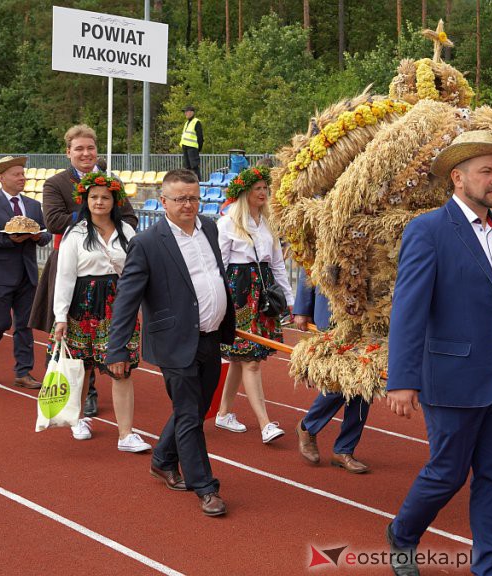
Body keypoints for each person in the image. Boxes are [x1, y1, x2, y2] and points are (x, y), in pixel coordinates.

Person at [385, 131, 492, 576]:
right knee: (448, 473)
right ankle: (404, 533)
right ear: (458, 178)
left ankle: (490, 569)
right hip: (451, 376)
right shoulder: (429, 230)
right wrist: (402, 379)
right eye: (486, 171)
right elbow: (409, 309)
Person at [106, 168, 236, 517]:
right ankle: (205, 487)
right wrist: (117, 348)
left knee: (193, 409)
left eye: (193, 197)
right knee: (191, 416)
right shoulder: (147, 243)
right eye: (180, 199)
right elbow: (126, 300)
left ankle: (162, 459)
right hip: (174, 341)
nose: (189, 205)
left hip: (210, 336)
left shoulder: (209, 227)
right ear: (163, 201)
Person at [32, 124, 138, 418]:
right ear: (68, 153)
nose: (85, 153)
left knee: (109, 336)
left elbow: (129, 217)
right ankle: (83, 393)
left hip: (108, 268)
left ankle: (98, 386)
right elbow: (53, 221)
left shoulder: (111, 181)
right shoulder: (55, 183)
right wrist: (93, 215)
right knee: (73, 334)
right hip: (70, 262)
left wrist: (108, 218)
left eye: (90, 148)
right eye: (79, 148)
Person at [48, 171, 149, 453]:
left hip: (119, 304)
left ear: (115, 201)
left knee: (122, 369)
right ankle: (78, 419)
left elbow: (138, 269)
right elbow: (65, 278)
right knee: (82, 366)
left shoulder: (127, 232)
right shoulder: (75, 233)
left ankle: (126, 434)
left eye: (105, 197)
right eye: (94, 197)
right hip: (84, 304)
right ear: (85, 200)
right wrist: (60, 318)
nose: (99, 202)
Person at [214, 165, 294, 444]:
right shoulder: (227, 223)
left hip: (263, 292)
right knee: (250, 360)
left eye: (264, 189)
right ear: (245, 192)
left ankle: (224, 413)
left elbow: (278, 265)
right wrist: (219, 302)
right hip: (239, 293)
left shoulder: (268, 224)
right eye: (257, 189)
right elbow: (219, 267)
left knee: (242, 358)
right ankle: (265, 423)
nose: (262, 193)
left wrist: (288, 299)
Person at [0, 156, 50, 388]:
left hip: (28, 274)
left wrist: (37, 236)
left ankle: (23, 372)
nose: (22, 178)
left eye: (23, 174)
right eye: (17, 174)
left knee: (25, 325)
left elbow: (47, 233)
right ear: (2, 177)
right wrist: (9, 238)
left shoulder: (34, 205)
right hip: (0, 274)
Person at [292, 269, 371, 473]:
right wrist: (302, 307)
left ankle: (345, 449)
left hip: (367, 313)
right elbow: (309, 261)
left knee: (366, 381)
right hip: (332, 310)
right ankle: (308, 427)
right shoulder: (329, 235)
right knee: (340, 379)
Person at [180, 105, 204, 181]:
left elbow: (200, 137)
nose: (185, 113)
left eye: (187, 112)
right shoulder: (187, 123)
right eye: (185, 112)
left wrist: (198, 148)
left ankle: (198, 183)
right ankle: (189, 183)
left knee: (194, 167)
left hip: (192, 148)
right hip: (185, 147)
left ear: (192, 112)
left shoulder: (196, 122)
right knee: (187, 167)